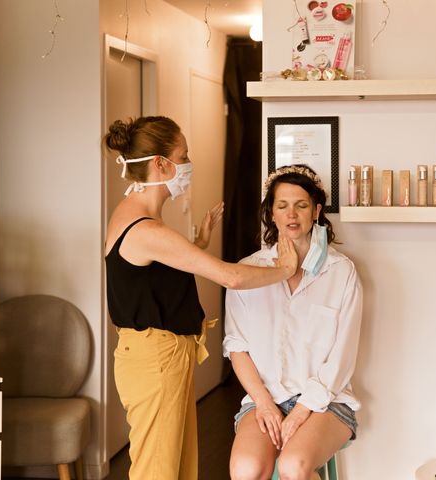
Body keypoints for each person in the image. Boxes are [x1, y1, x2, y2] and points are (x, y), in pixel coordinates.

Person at [103, 115, 298, 480]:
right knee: (157, 471)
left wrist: (199, 244)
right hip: (155, 359)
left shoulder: (132, 214)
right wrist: (285, 270)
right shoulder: (147, 229)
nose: (188, 164)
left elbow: (151, 274)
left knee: (176, 466)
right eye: (184, 154)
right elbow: (231, 277)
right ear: (161, 163)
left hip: (156, 356)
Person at [224, 164, 363, 480]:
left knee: (293, 466)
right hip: (265, 397)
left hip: (325, 403)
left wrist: (301, 412)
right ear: (271, 213)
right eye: (282, 205)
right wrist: (264, 404)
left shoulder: (341, 272)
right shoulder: (248, 271)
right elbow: (237, 348)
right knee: (245, 469)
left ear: (315, 211)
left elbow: (341, 359)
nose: (292, 214)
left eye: (301, 205)